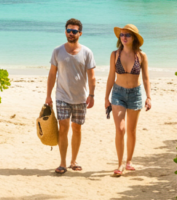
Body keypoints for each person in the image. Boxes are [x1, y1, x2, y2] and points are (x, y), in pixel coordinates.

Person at [46, 18, 97, 174]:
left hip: (80, 98)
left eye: (74, 31)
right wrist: (48, 96)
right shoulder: (57, 51)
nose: (71, 33)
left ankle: (73, 161)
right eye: (68, 30)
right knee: (63, 128)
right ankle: (62, 163)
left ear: (80, 33)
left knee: (77, 129)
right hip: (62, 96)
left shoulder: (87, 52)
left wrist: (92, 95)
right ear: (65, 32)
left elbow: (92, 76)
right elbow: (52, 74)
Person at [104, 25, 152, 176]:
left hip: (135, 94)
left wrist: (149, 97)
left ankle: (129, 161)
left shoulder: (141, 56)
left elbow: (145, 78)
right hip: (118, 94)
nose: (124, 37)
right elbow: (111, 76)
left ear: (134, 38)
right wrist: (106, 97)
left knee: (131, 130)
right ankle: (120, 164)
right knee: (120, 129)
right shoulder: (114, 54)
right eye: (122, 35)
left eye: (127, 35)